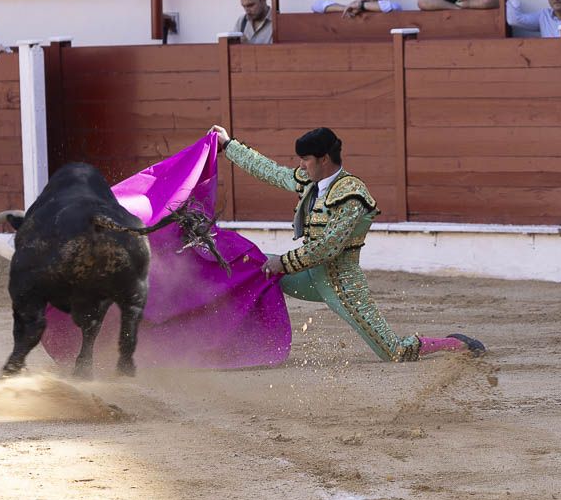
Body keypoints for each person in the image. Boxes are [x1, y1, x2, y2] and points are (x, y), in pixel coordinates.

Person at [208, 124, 486, 362]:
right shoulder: (310, 180)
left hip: (342, 284)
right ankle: (231, 343)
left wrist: (282, 262)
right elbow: (270, 171)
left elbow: (328, 247)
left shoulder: (352, 195)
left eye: (306, 160)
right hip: (308, 275)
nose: (301, 165)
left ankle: (456, 344)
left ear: (324, 159)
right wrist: (228, 145)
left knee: (393, 352)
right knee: (247, 264)